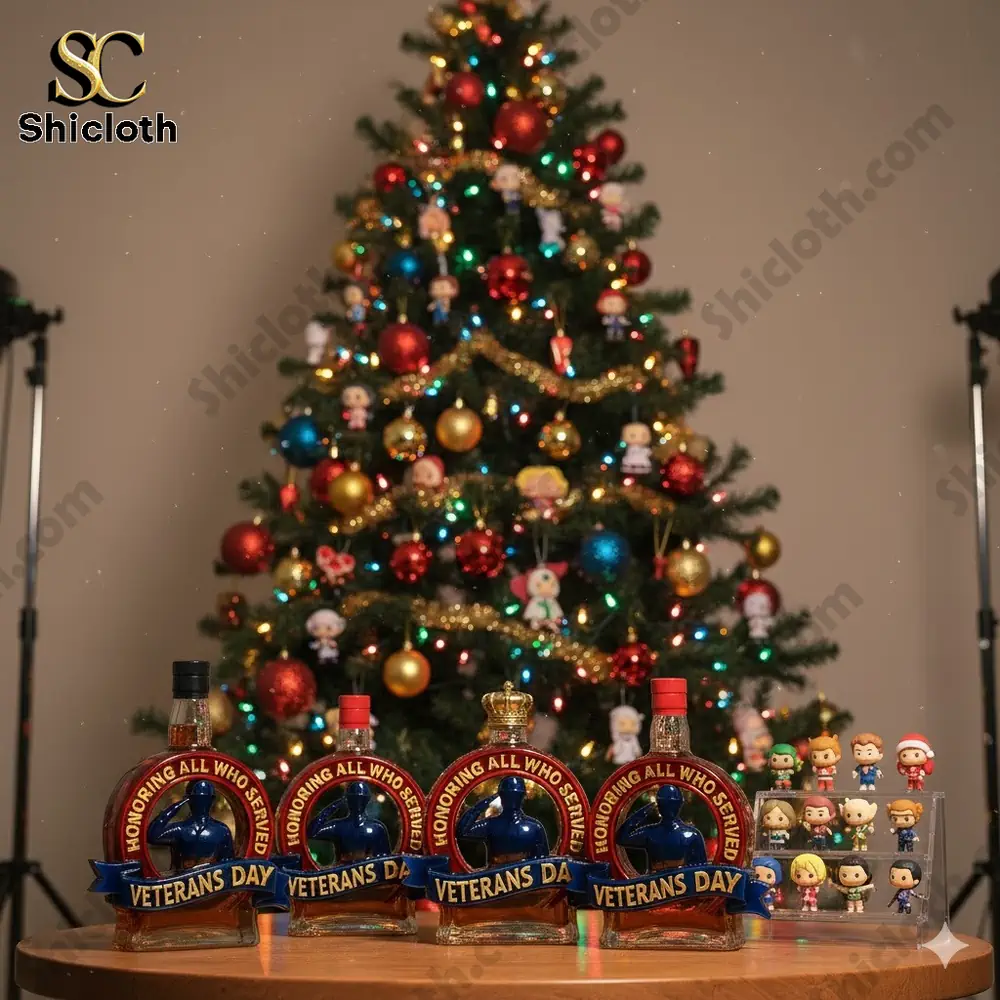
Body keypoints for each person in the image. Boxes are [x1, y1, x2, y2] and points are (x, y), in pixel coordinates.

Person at [147, 779, 235, 871]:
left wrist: (175, 807)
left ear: (189, 800)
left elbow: (152, 835)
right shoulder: (222, 830)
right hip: (209, 879)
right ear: (212, 800)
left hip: (182, 879)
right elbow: (228, 865)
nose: (201, 802)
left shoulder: (180, 829)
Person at [458, 776, 549, 864]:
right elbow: (462, 832)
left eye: (516, 796)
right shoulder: (535, 827)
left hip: (509, 872)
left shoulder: (490, 824)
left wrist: (482, 805)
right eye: (509, 796)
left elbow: (543, 862)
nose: (512, 799)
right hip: (499, 872)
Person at [617, 785, 707, 871]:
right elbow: (702, 871)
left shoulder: (650, 832)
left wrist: (642, 813)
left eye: (670, 804)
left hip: (657, 881)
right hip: (677, 881)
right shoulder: (693, 835)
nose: (668, 807)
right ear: (680, 804)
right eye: (665, 804)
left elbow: (622, 837)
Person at [308, 781, 391, 862]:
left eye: (361, 799)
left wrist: (334, 806)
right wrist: (334, 805)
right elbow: (312, 833)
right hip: (347, 870)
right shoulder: (377, 828)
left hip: (360, 869)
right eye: (354, 799)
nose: (358, 802)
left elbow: (385, 859)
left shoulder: (376, 828)